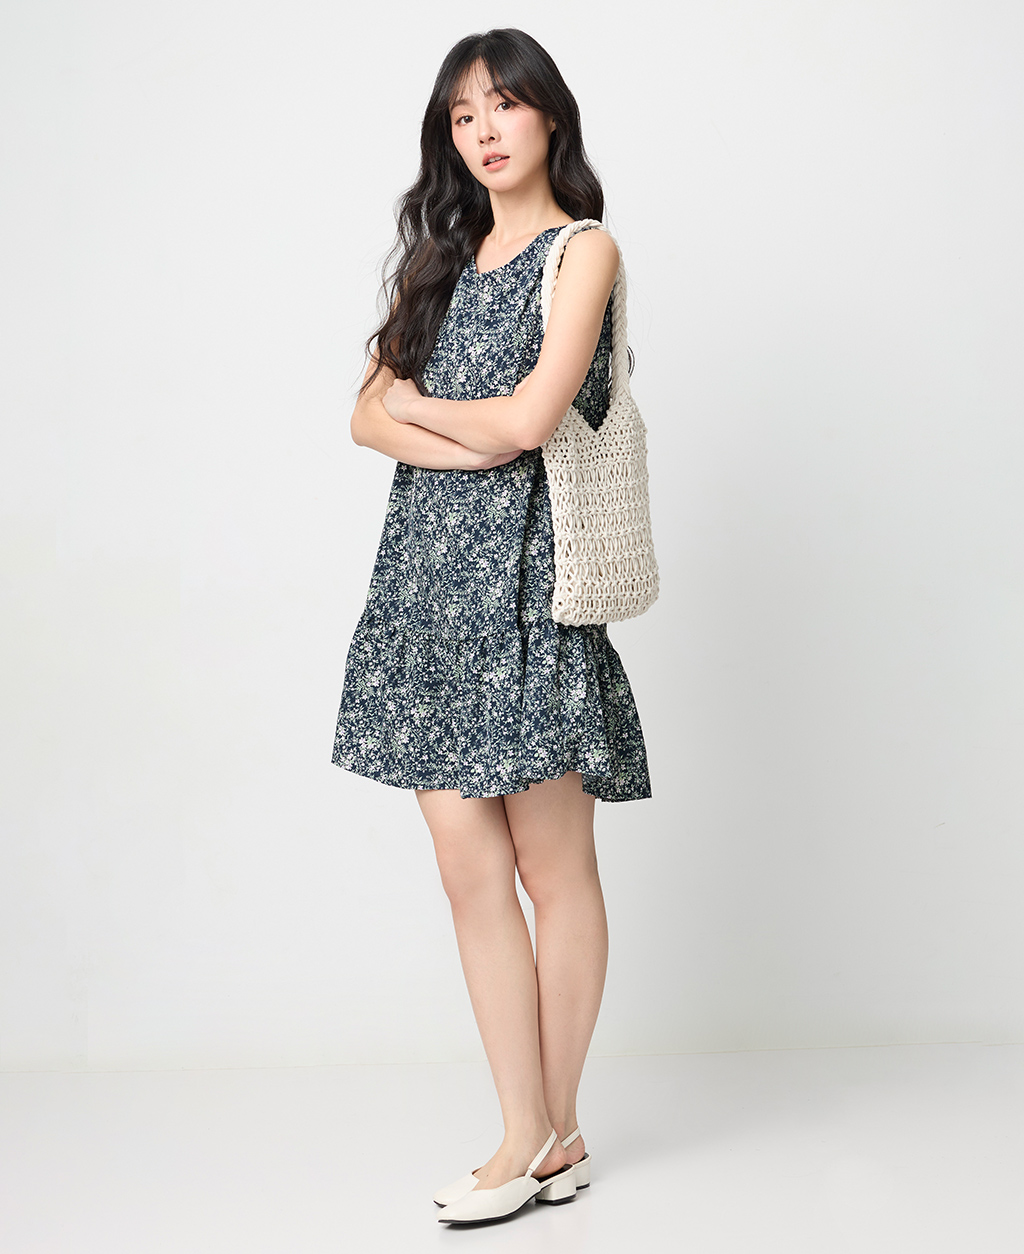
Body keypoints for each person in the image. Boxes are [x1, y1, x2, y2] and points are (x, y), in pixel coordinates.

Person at [332, 27, 651, 1225]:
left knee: (551, 868)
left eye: (503, 105)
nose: (484, 129)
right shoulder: (436, 260)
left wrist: (430, 411)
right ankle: (535, 1131)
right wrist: (450, 421)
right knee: (468, 870)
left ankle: (543, 1132)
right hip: (424, 592)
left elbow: (528, 423)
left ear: (547, 116)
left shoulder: (583, 250)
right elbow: (364, 419)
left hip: (530, 586)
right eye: (463, 114)